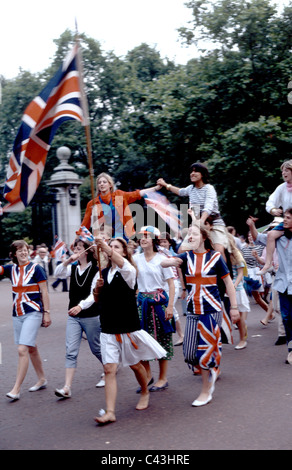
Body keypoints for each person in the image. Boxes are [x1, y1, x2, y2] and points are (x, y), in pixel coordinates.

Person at [161, 223, 240, 407]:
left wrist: (234, 307)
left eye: (194, 234)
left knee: (203, 353)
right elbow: (163, 262)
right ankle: (213, 361)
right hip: (192, 310)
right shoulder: (186, 257)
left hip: (211, 310)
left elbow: (228, 283)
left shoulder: (215, 257)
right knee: (189, 354)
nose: (190, 237)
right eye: (188, 234)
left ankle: (206, 391)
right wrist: (172, 261)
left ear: (204, 237)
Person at [92, 237, 167, 425]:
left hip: (127, 327)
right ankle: (110, 412)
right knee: (109, 368)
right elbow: (95, 298)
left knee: (135, 365)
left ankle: (144, 391)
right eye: (111, 247)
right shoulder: (103, 272)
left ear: (124, 252)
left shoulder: (129, 271)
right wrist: (96, 290)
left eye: (116, 247)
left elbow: (123, 263)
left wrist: (105, 248)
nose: (111, 249)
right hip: (107, 327)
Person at [54, 232, 103, 398]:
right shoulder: (72, 268)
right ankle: (67, 387)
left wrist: (80, 306)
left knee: (96, 347)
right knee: (71, 350)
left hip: (90, 315)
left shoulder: (96, 270)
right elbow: (58, 273)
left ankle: (109, 368)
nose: (76, 250)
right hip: (73, 316)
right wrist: (68, 260)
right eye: (75, 247)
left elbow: (93, 294)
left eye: (79, 248)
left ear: (87, 251)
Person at [1, 240, 51, 400]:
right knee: (31, 347)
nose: (23, 253)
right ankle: (42, 378)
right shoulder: (10, 269)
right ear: (14, 254)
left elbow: (44, 291)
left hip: (33, 312)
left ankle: (16, 389)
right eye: (20, 250)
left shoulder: (37, 269)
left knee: (22, 349)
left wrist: (47, 313)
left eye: (25, 250)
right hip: (17, 314)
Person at [157, 162, 230, 259]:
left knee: (218, 251)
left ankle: (224, 274)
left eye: (196, 171)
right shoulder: (191, 189)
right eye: (191, 171)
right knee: (181, 251)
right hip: (197, 224)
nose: (192, 173)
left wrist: (201, 222)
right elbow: (180, 192)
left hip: (214, 223)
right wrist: (165, 184)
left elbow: (208, 207)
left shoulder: (209, 188)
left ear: (203, 174)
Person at [133, 226, 175, 392]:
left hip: (159, 304)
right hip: (142, 304)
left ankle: (163, 378)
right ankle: (148, 376)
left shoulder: (161, 259)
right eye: (141, 237)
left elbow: (171, 284)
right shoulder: (136, 258)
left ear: (154, 240)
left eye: (147, 236)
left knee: (162, 340)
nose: (143, 239)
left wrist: (170, 306)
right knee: (142, 341)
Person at [253, 208, 292, 365]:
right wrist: (251, 226)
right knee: (287, 318)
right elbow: (258, 238)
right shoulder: (277, 237)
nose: (285, 220)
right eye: (285, 218)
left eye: (288, 217)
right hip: (283, 284)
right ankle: (290, 350)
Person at [81, 172, 161, 240]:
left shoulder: (120, 195)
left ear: (110, 185)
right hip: (104, 236)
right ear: (97, 186)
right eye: (99, 182)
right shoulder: (92, 203)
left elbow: (138, 194)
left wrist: (156, 188)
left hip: (122, 234)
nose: (101, 184)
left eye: (104, 182)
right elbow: (85, 224)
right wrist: (78, 238)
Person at [258, 159, 292, 275]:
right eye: (282, 171)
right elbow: (270, 202)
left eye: (287, 170)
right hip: (288, 221)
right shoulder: (281, 188)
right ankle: (268, 264)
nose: (284, 173)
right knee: (271, 234)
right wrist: (273, 210)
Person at [158, 231, 186, 346]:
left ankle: (180, 335)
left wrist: (184, 289)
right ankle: (178, 335)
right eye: (160, 242)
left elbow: (179, 272)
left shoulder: (173, 255)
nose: (163, 244)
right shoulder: (158, 255)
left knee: (170, 308)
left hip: (173, 283)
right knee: (167, 309)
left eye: (165, 242)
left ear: (169, 243)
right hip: (162, 284)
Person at [228, 234, 250, 350]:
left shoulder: (236, 254)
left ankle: (242, 340)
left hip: (237, 289)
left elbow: (241, 273)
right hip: (225, 290)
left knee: (239, 317)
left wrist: (234, 284)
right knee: (232, 318)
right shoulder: (220, 254)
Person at [240, 231, 269, 313]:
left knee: (257, 297)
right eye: (249, 236)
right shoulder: (244, 248)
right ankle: (270, 314)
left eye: (252, 236)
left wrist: (257, 257)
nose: (251, 237)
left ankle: (270, 313)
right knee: (256, 297)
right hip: (248, 273)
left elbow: (264, 259)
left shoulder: (261, 247)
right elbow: (242, 261)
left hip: (258, 272)